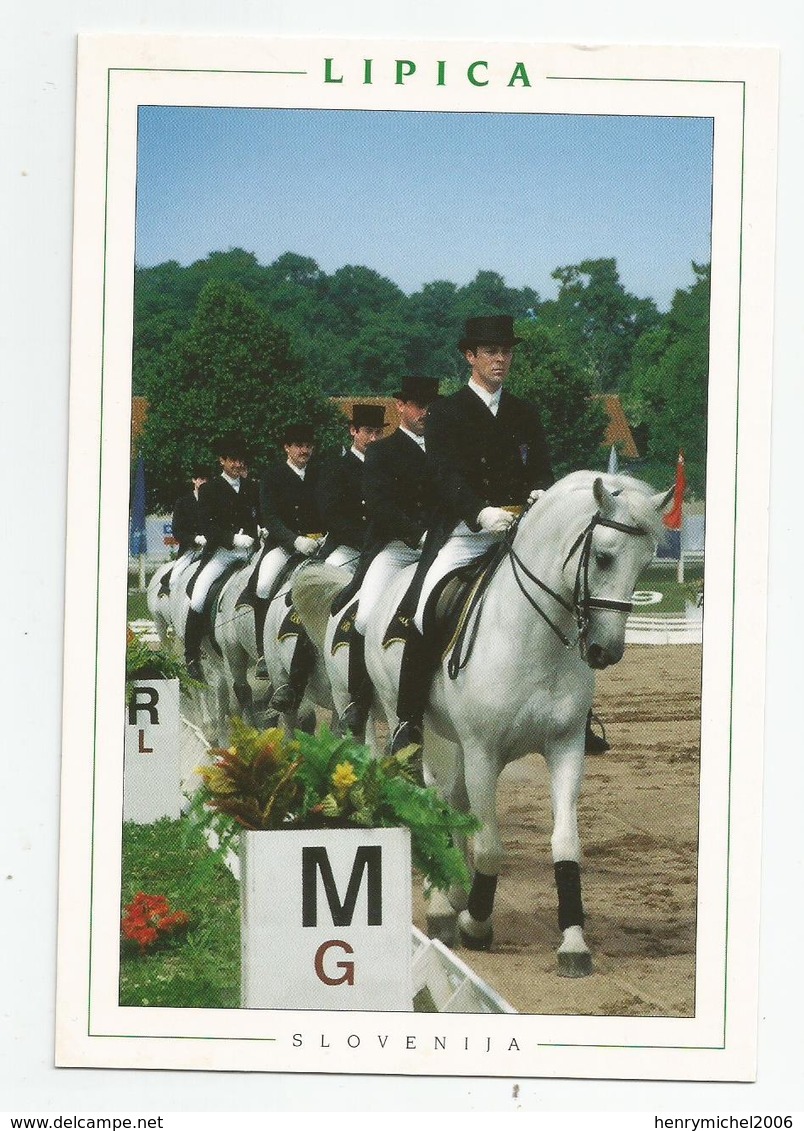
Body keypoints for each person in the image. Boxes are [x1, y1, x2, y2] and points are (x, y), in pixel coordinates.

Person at [389, 315, 555, 755]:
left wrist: (541, 491)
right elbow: (444, 475)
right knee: (424, 607)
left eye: (506, 352)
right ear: (470, 356)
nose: (500, 359)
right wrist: (479, 512)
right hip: (466, 533)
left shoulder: (523, 411)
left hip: (520, 532)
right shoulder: (447, 412)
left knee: (562, 595)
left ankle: (572, 709)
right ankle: (408, 718)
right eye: (490, 352)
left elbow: (541, 468)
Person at [339, 376, 440, 737]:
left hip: (440, 545)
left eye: (431, 405)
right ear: (401, 407)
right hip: (396, 548)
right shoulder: (382, 452)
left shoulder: (444, 447)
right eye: (419, 405)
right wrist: (416, 533)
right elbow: (381, 507)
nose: (426, 412)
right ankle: (357, 699)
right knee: (365, 616)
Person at [253, 423, 326, 699]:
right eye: (298, 445)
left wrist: (326, 536)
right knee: (264, 582)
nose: (304, 450)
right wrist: (294, 540)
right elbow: (270, 517)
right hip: (286, 546)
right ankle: (263, 652)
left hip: (319, 544)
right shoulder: (273, 476)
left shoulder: (319, 474)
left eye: (308, 445)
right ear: (287, 447)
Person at [183, 432, 260, 682]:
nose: (238, 465)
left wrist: (261, 530)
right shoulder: (209, 489)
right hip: (222, 554)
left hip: (251, 552)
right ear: (222, 461)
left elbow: (259, 516)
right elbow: (208, 527)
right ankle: (192, 656)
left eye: (241, 461)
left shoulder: (252, 487)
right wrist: (232, 539)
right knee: (198, 597)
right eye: (233, 461)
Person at [316, 402, 388, 570]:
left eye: (378, 432)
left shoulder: (388, 468)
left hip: (384, 546)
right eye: (368, 431)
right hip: (349, 547)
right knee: (332, 572)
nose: (374, 439)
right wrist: (363, 541)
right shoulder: (336, 468)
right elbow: (330, 514)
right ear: (353, 430)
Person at [157, 465, 209, 597]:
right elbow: (177, 531)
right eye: (201, 479)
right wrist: (194, 539)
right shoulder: (183, 502)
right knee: (175, 579)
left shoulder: (213, 502)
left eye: (206, 480)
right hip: (190, 550)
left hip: (211, 548)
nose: (204, 482)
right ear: (194, 480)